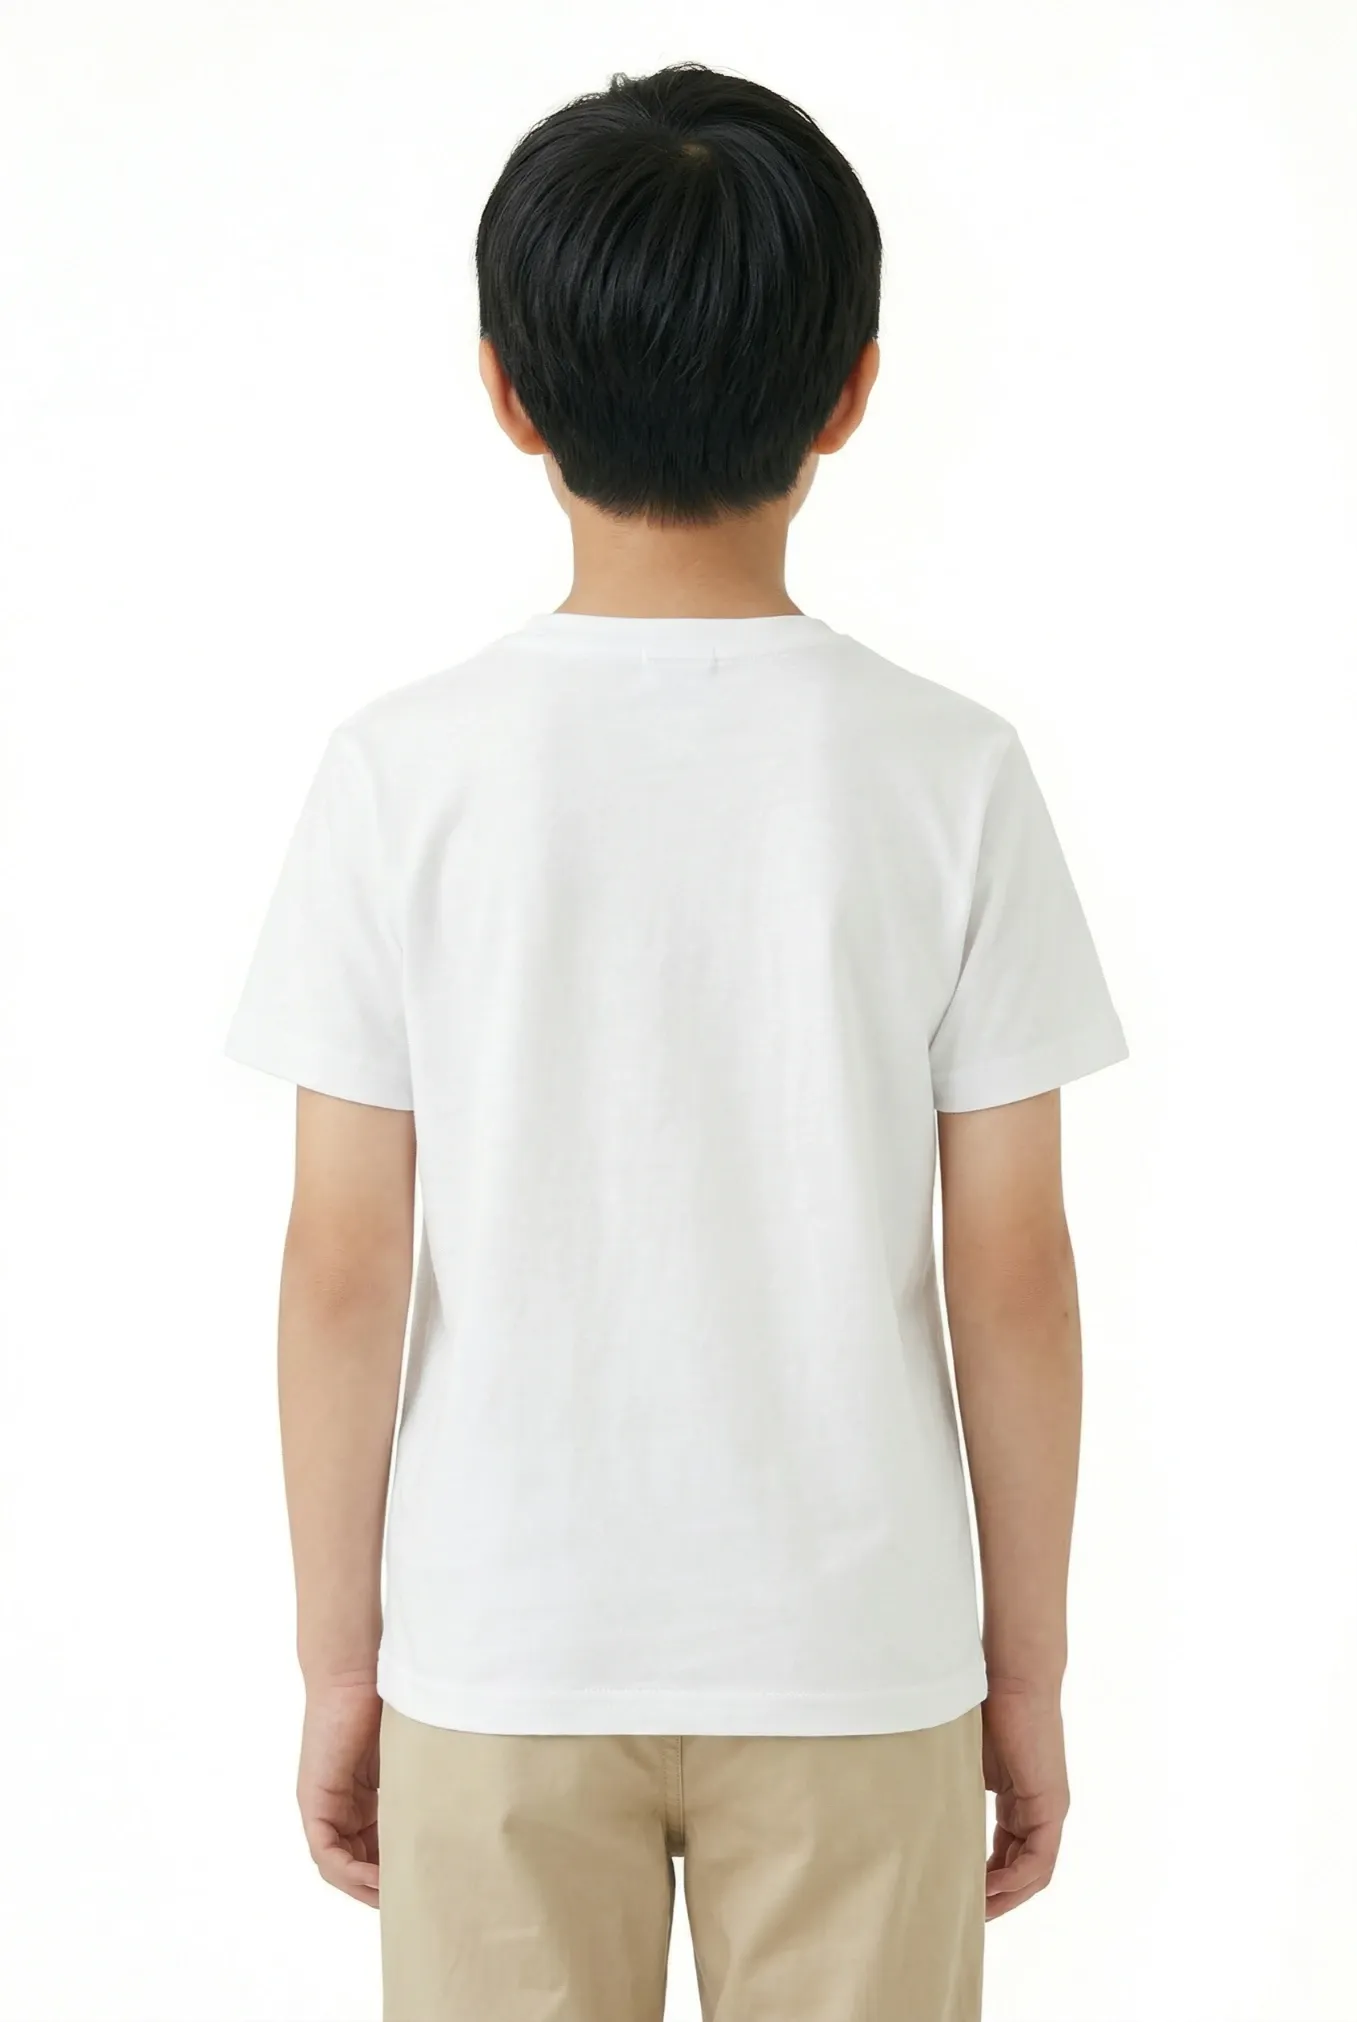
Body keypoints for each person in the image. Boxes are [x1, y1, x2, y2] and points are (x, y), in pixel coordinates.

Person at [224, 60, 1128, 2022]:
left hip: (503, 1644)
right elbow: (1017, 1273)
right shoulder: (953, 778)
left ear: (507, 392)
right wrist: (1027, 1670)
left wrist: (338, 1662)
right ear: (852, 392)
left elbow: (341, 1265)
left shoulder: (401, 777)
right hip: (857, 1645)